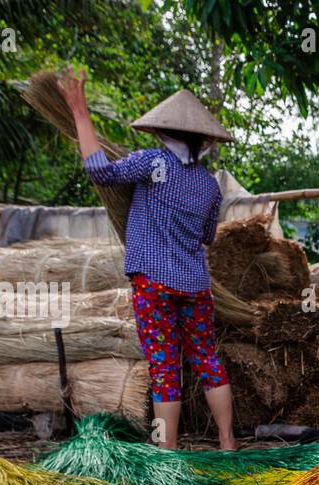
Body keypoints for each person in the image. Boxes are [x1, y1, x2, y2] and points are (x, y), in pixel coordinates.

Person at [57, 66, 236, 450]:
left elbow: (100, 172)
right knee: (207, 360)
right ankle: (227, 441)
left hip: (154, 284)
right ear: (203, 140)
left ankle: (166, 450)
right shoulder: (209, 184)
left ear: (163, 131)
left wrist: (79, 111)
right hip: (196, 288)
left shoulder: (154, 163)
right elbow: (207, 237)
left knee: (165, 366)